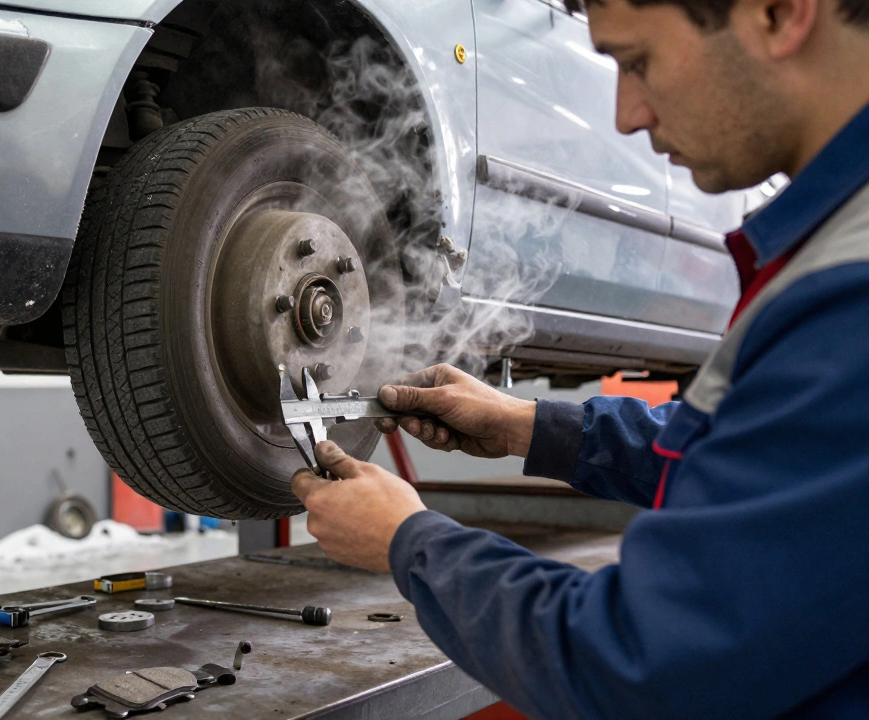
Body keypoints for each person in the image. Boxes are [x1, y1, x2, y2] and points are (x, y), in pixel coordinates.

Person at [290, 0, 869, 713]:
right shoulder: (837, 249)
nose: (625, 115)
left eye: (637, 61)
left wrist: (408, 543)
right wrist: (531, 427)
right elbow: (757, 454)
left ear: (778, 14)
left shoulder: (850, 296)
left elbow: (644, 663)